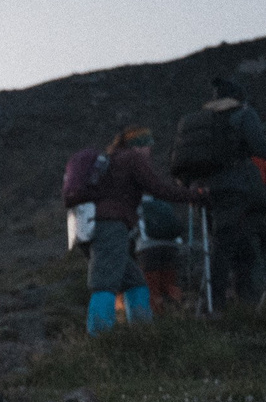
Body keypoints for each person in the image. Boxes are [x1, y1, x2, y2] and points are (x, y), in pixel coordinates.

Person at [175, 77, 266, 307]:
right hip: (237, 191)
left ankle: (228, 305)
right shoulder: (243, 115)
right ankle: (221, 305)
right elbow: (262, 148)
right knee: (228, 246)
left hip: (206, 191)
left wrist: (190, 188)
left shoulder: (199, 120)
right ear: (239, 98)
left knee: (233, 247)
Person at [67, 127, 206, 333]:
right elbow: (158, 188)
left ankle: (143, 333)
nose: (150, 150)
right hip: (111, 226)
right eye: (148, 145)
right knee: (104, 282)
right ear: (139, 145)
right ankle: (100, 339)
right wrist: (194, 195)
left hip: (92, 226)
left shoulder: (113, 160)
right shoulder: (131, 158)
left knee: (135, 281)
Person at [136, 194, 189, 308]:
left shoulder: (136, 204)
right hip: (171, 247)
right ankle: (179, 310)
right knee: (169, 285)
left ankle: (156, 319)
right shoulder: (164, 204)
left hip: (148, 249)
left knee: (152, 289)